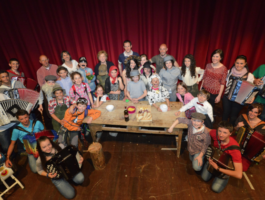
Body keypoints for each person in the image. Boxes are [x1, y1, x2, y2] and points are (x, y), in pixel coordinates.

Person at [201, 121, 242, 193]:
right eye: (219, 131)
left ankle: (226, 176)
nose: (221, 135)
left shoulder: (234, 149)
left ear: (230, 133)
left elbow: (239, 175)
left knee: (215, 189)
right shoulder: (215, 134)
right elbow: (207, 129)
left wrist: (218, 168)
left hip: (223, 167)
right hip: (213, 161)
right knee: (204, 178)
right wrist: (196, 123)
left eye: (225, 132)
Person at [222, 55, 255, 125]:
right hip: (227, 97)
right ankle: (221, 128)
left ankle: (229, 131)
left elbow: (251, 89)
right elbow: (226, 83)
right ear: (234, 62)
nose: (239, 65)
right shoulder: (229, 72)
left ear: (245, 64)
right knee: (225, 113)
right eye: (237, 63)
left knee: (233, 116)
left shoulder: (249, 75)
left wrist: (251, 98)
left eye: (241, 63)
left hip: (238, 100)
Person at [0, 70, 25, 154]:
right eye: (3, 77)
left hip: (12, 118)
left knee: (18, 135)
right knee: (6, 144)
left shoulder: (4, 91)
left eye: (6, 76)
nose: (5, 78)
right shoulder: (1, 90)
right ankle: (10, 158)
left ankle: (21, 151)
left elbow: (11, 104)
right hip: (1, 125)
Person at [234, 103, 265, 171]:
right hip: (238, 143)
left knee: (242, 168)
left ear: (259, 113)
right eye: (251, 110)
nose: (252, 113)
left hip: (250, 151)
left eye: (255, 112)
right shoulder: (242, 117)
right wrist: (237, 126)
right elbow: (235, 130)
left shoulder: (263, 126)